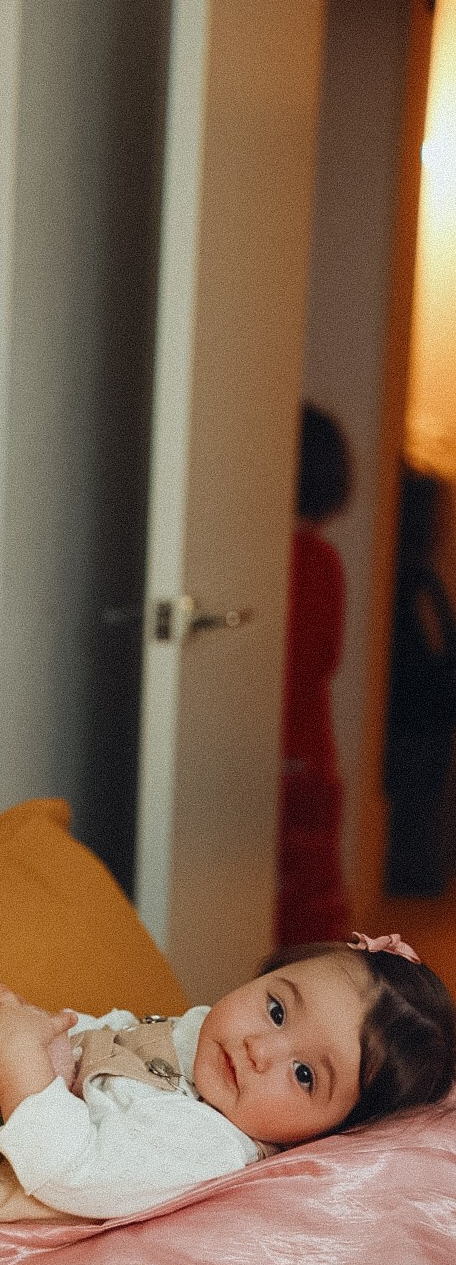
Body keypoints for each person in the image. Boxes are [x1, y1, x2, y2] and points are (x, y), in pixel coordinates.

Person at [0, 807, 456, 1245]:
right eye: (276, 1009)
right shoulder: (200, 1040)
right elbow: (101, 1035)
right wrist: (29, 1031)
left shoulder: (209, 1149)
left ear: (325, 1136)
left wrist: (20, 1058)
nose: (260, 1048)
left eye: (305, 1076)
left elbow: (71, 1166)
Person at [277, 403, 353, 945]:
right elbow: (325, 658)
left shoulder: (285, 560)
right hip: (311, 740)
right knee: (309, 877)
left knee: (288, 880)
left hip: (290, 739)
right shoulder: (323, 559)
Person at [384, 464, 456, 896]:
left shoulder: (408, 579)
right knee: (417, 799)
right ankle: (414, 878)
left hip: (415, 714)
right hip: (418, 717)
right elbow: (437, 655)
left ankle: (415, 875)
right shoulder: (416, 582)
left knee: (415, 799)